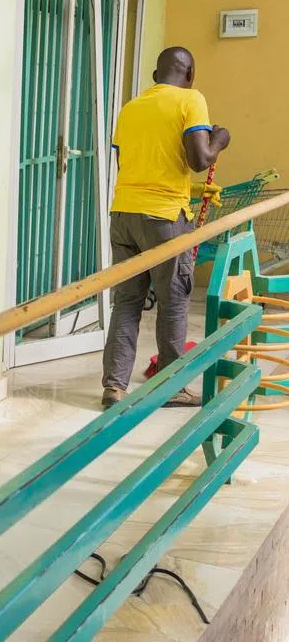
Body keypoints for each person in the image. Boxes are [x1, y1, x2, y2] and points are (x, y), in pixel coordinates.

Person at [101, 47, 231, 409]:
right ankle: (172, 386)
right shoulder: (192, 99)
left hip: (123, 214)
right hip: (164, 218)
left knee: (127, 302)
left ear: (157, 75)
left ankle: (114, 387)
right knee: (173, 302)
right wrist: (220, 138)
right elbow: (198, 160)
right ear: (189, 74)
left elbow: (124, 162)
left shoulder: (130, 108)